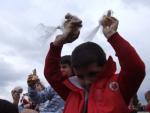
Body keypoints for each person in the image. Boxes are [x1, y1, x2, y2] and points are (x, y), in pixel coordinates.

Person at [44, 12, 145, 113]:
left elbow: (135, 68)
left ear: (104, 67)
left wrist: (112, 36)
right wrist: (58, 43)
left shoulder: (119, 86)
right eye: (80, 76)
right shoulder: (72, 90)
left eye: (92, 74)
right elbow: (51, 73)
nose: (87, 82)